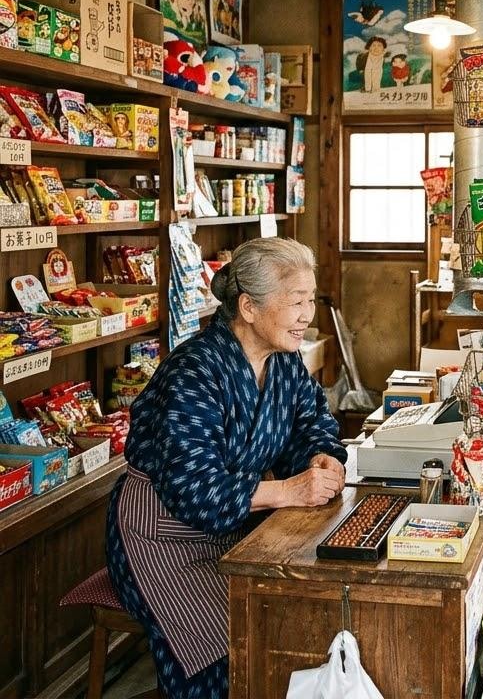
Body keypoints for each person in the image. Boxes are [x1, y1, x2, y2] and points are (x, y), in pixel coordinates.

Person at [106, 238, 347, 699]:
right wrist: (290, 491)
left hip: (235, 526)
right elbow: (195, 489)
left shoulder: (285, 362)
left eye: (310, 300)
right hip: (161, 536)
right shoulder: (195, 371)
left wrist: (323, 457)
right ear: (249, 308)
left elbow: (314, 422)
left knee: (279, 627)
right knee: (227, 652)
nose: (307, 315)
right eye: (295, 302)